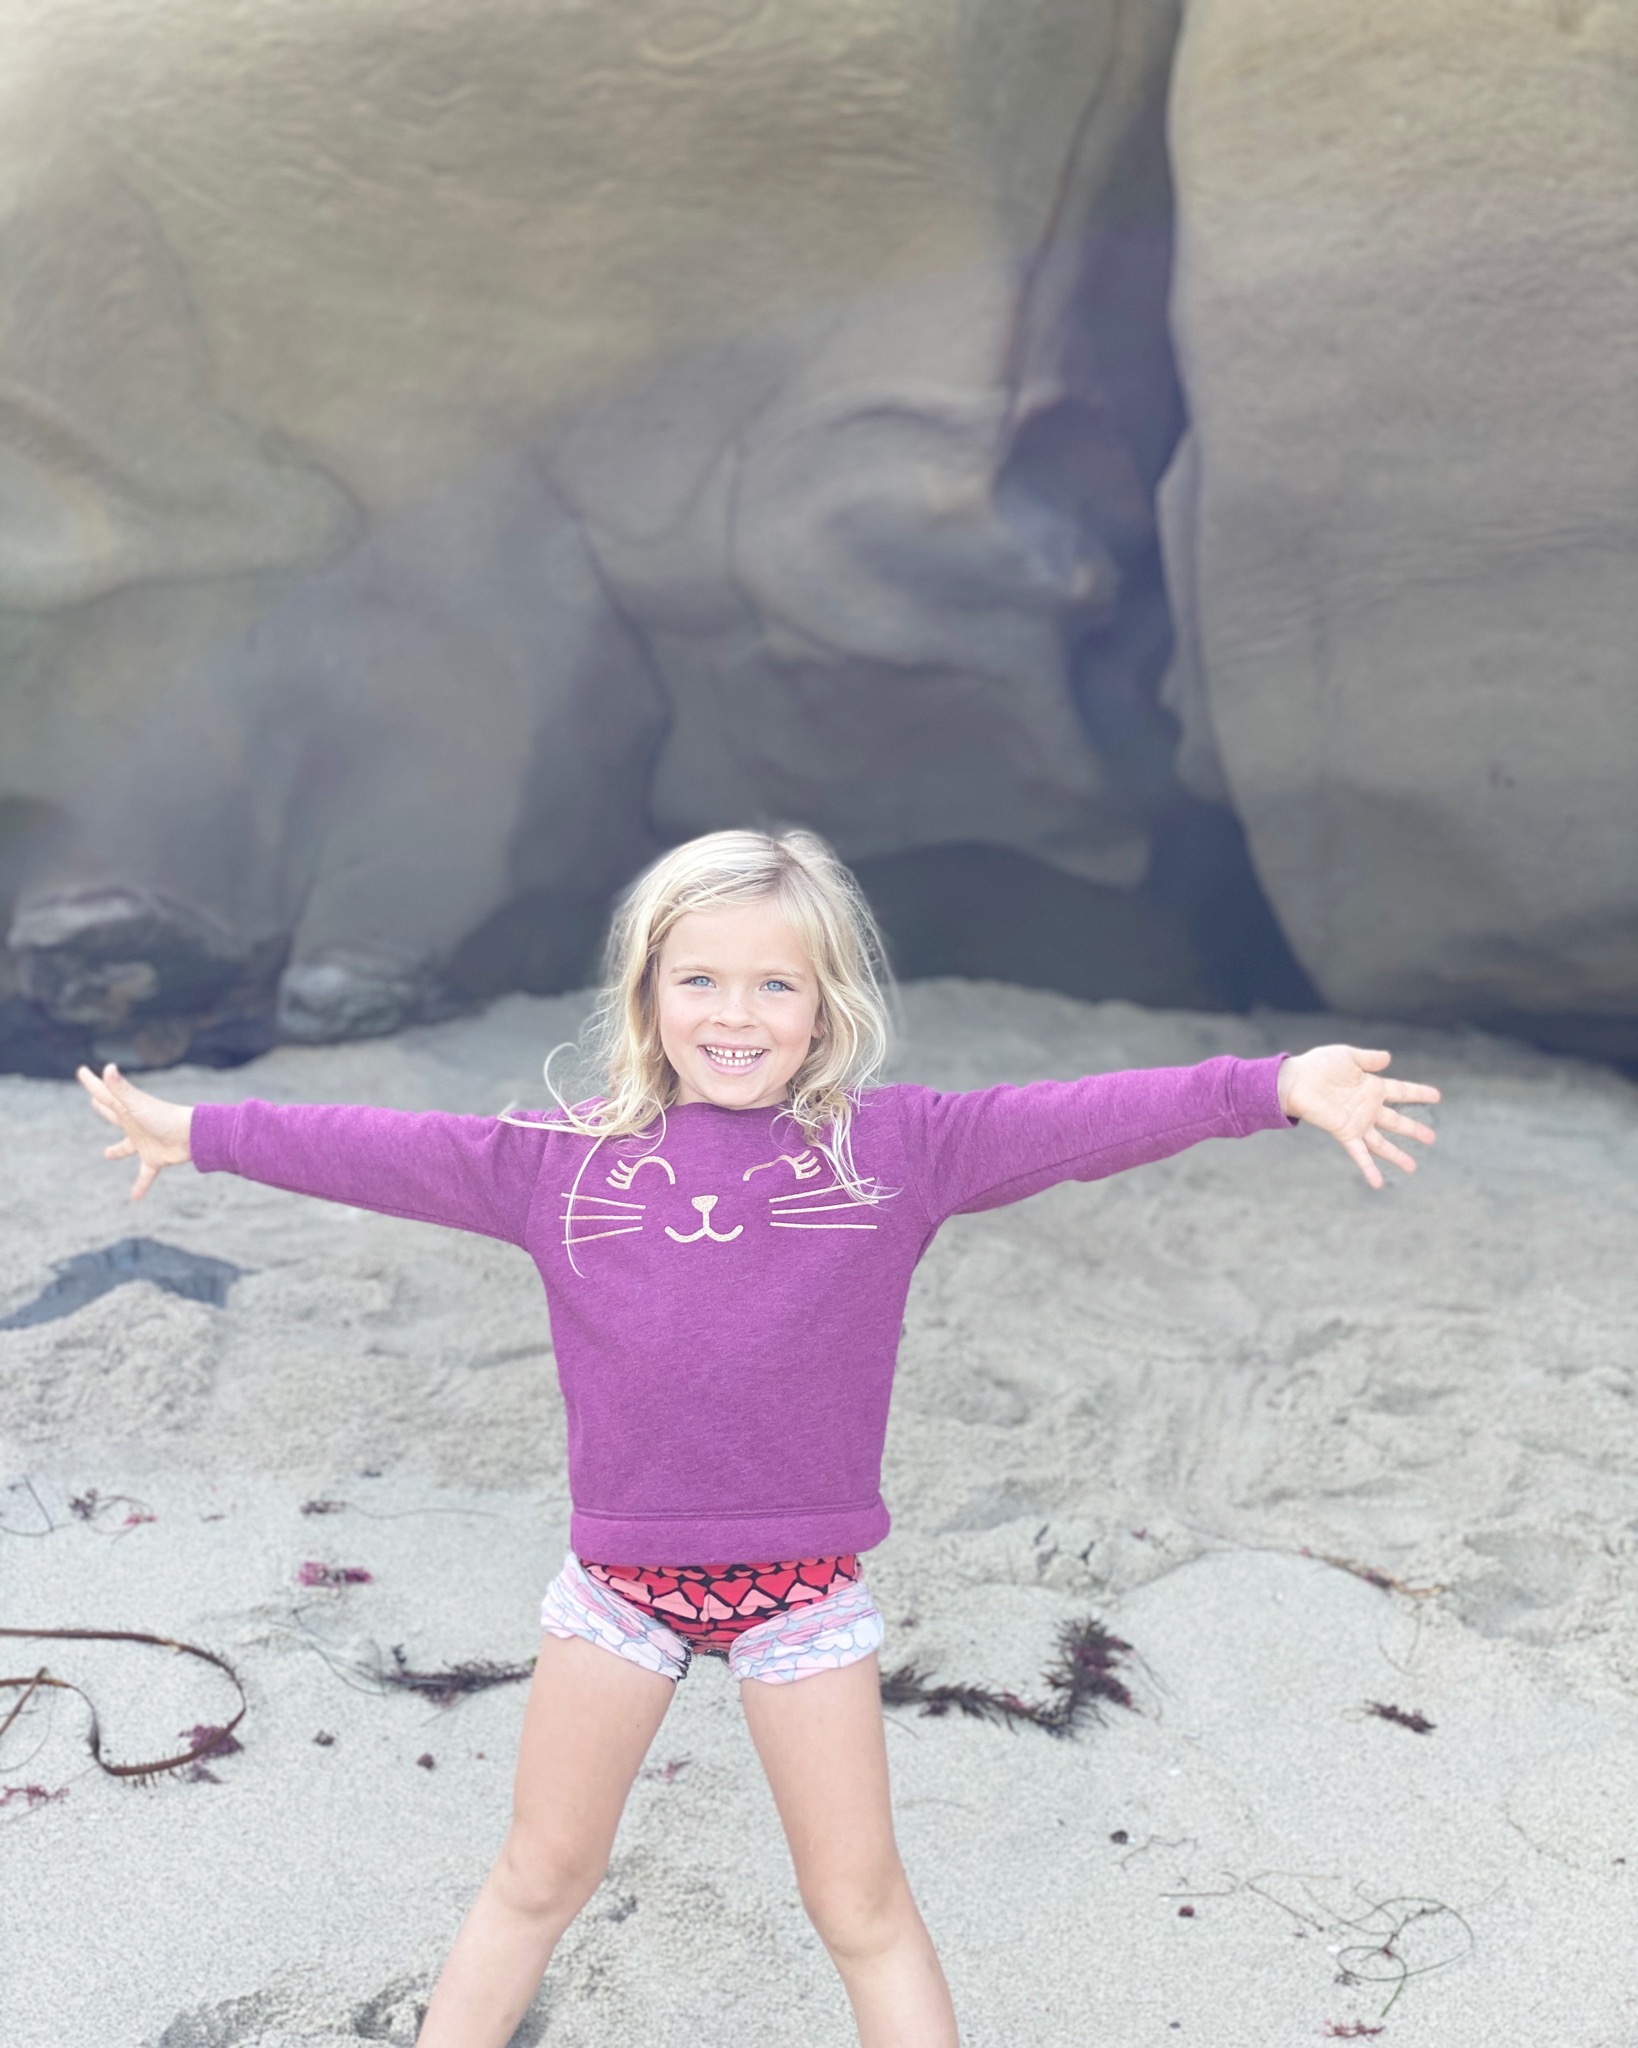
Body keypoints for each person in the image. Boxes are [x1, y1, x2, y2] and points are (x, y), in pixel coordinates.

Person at [77, 827, 1439, 2048]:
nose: (735, 1015)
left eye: (773, 985)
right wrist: (199, 1132)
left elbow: (1082, 1118)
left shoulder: (898, 1150)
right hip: (614, 1594)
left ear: (825, 1004)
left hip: (804, 1602)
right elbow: (375, 1146)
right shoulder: (557, 1163)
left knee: (860, 1910)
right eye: (701, 982)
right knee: (538, 1877)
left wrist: (1270, 1085)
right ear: (649, 995)